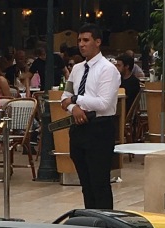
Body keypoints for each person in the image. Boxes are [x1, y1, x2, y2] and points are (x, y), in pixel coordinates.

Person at [61, 25, 120, 210]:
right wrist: (74, 107)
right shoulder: (77, 69)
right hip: (79, 127)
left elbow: (103, 103)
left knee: (99, 182)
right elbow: (64, 98)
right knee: (85, 183)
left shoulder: (108, 70)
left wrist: (77, 99)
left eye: (86, 40)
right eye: (79, 40)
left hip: (100, 127)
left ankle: (105, 224)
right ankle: (90, 219)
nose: (81, 44)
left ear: (97, 41)